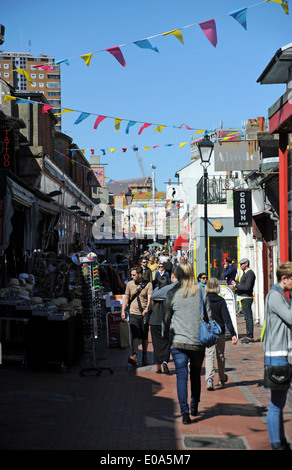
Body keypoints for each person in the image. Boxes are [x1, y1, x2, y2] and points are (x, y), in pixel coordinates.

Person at [163, 262, 205, 424]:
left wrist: (165, 334)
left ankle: (184, 412)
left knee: (182, 377)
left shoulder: (172, 293)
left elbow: (166, 318)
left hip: (178, 341)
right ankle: (194, 405)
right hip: (196, 341)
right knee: (195, 375)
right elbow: (208, 314)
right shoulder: (201, 291)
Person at [264, 262, 292, 450]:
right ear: (285, 278)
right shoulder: (275, 296)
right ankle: (276, 444)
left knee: (279, 402)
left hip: (280, 354)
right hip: (277, 355)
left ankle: (281, 441)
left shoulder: (279, 295)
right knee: (275, 404)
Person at [204, 278, 238, 391]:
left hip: (208, 331)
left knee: (209, 354)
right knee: (220, 354)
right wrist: (233, 333)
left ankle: (209, 379)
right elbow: (227, 318)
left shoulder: (204, 300)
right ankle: (222, 377)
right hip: (220, 331)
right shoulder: (221, 300)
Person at [121, 266, 153, 367]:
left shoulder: (148, 284)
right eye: (131, 275)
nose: (131, 277)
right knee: (135, 334)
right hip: (133, 313)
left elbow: (150, 298)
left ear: (139, 275)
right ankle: (134, 355)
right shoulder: (129, 284)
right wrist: (123, 311)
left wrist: (147, 309)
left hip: (144, 314)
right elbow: (126, 298)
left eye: (133, 275)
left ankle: (144, 355)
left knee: (144, 335)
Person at [149, 276, 173, 374]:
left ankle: (158, 367)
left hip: (154, 322)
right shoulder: (169, 295)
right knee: (166, 343)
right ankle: (165, 361)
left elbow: (149, 310)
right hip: (166, 322)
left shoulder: (155, 296)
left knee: (156, 344)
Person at [231, 258, 256, 344]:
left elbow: (247, 287)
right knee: (246, 317)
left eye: (242, 264)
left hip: (246, 298)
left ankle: (250, 337)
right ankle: (248, 336)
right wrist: (237, 285)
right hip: (243, 297)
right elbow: (244, 285)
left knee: (248, 318)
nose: (240, 266)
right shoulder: (246, 273)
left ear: (246, 264)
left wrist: (237, 286)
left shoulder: (250, 273)